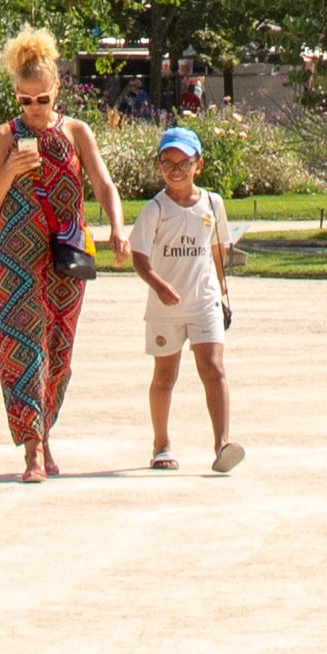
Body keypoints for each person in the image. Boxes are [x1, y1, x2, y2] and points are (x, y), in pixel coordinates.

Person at [0, 26, 118, 482]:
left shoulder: (76, 131)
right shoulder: (2, 138)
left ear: (56, 92)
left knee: (57, 353)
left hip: (63, 263)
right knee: (22, 350)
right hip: (14, 265)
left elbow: (102, 183)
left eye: (42, 99)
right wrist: (11, 170)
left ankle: (46, 433)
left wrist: (117, 228)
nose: (34, 109)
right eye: (24, 100)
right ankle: (33, 451)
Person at [127, 126, 245, 474]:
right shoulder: (156, 209)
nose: (176, 170)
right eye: (168, 163)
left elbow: (217, 251)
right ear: (159, 165)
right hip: (166, 307)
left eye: (183, 162)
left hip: (204, 300)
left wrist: (223, 296)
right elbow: (139, 257)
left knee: (214, 368)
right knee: (165, 373)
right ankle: (161, 444)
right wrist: (158, 284)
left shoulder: (212, 203)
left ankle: (222, 443)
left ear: (199, 165)